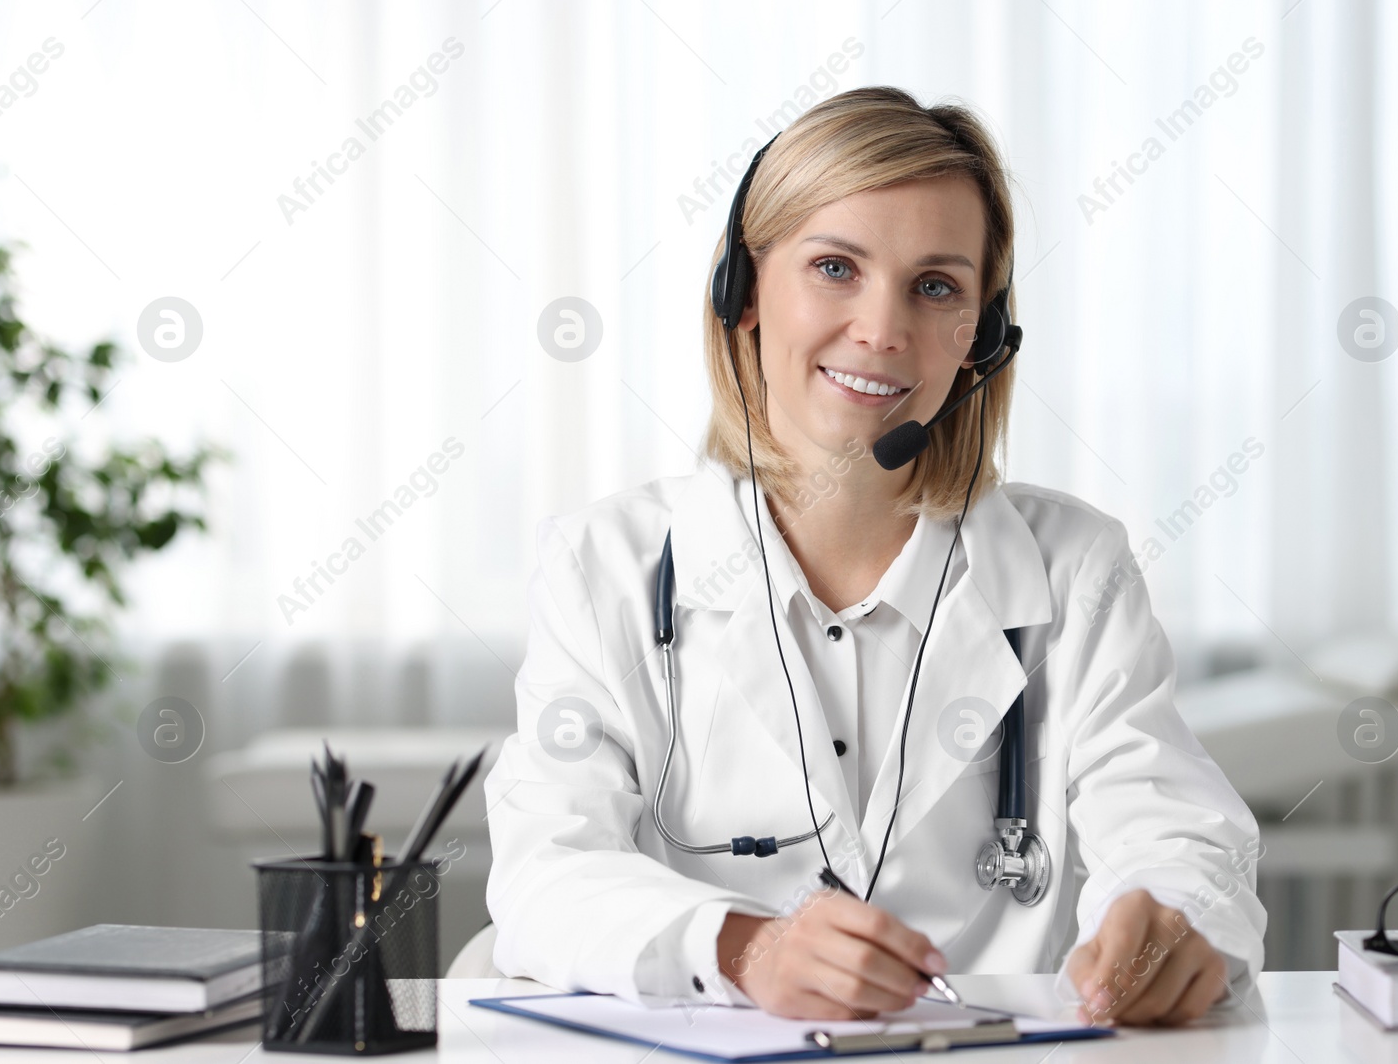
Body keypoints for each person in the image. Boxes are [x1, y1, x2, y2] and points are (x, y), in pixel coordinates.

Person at [483, 85, 1265, 1027]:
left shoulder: (1075, 568)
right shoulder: (605, 565)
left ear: (982, 335)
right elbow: (543, 872)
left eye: (936, 286)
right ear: (743, 295)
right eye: (834, 267)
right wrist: (743, 946)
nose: (883, 330)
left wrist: (1173, 922)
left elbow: (1177, 835)